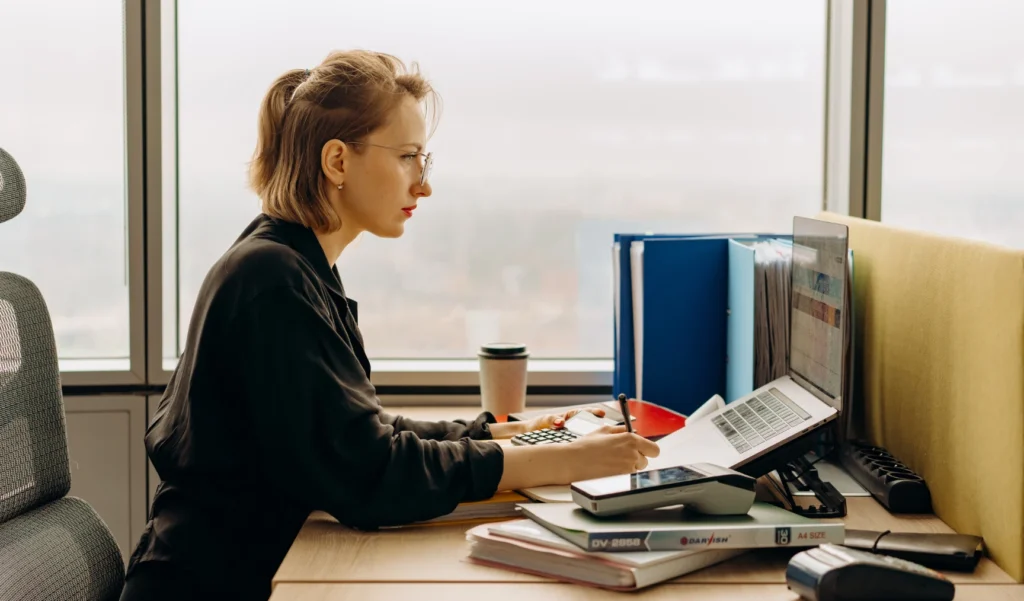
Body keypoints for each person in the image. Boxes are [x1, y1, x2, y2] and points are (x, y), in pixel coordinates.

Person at [119, 49, 659, 601]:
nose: (422, 186)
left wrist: (515, 431)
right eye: (407, 158)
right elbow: (370, 475)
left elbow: (358, 434)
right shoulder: (273, 281)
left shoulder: (292, 265)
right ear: (337, 162)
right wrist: (554, 460)